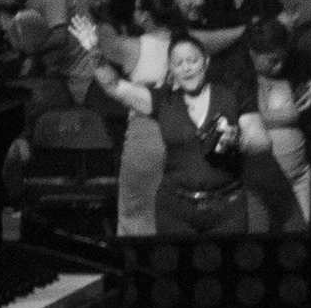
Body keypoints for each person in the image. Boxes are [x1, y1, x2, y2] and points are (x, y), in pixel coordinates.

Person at [86, 31, 259, 235]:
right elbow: (114, 86)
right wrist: (95, 52)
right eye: (178, 63)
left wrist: (239, 140)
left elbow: (261, 141)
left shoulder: (232, 95)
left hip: (227, 208)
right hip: (176, 210)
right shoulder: (164, 101)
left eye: (192, 61)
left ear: (206, 62)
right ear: (171, 69)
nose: (186, 68)